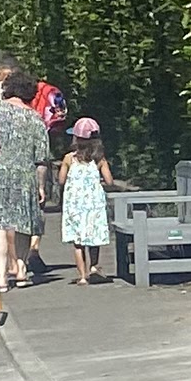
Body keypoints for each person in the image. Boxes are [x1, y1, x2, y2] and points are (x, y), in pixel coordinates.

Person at [0, 60, 51, 292]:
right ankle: (21, 269)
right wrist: (41, 186)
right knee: (24, 224)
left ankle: (2, 277)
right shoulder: (36, 119)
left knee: (0, 225)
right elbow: (41, 158)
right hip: (26, 177)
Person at [60, 117, 115, 287]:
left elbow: (61, 180)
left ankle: (82, 276)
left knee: (78, 243)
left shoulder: (69, 158)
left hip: (74, 205)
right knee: (93, 237)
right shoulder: (99, 159)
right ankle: (93, 266)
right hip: (94, 204)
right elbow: (109, 181)